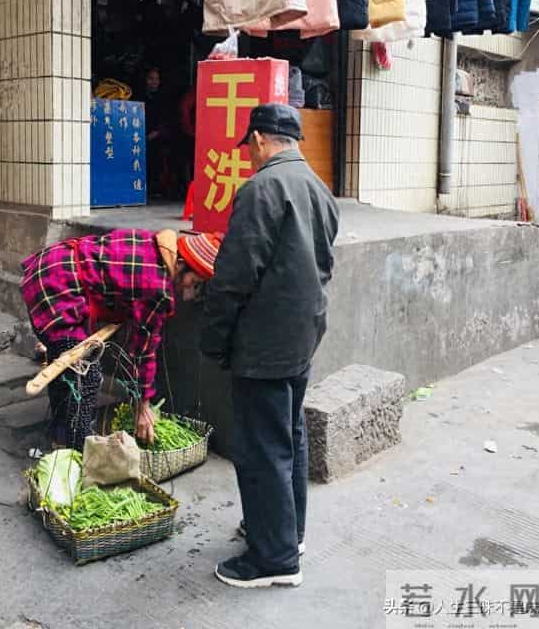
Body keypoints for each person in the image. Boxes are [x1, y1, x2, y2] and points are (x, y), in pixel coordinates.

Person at [200, 103, 339, 589]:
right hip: (302, 335)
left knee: (262, 448)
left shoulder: (262, 188)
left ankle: (274, 560)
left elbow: (235, 276)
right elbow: (323, 266)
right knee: (289, 435)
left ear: (259, 139)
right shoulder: (319, 188)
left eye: (250, 146)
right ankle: (288, 533)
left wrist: (214, 339)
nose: (250, 155)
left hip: (264, 342)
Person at [21, 229, 222, 451]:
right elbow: (143, 351)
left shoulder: (155, 244)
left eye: (196, 287)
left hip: (52, 265)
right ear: (182, 263)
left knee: (67, 370)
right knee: (85, 375)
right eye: (192, 282)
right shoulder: (157, 286)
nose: (188, 293)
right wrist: (142, 406)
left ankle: (61, 438)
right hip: (56, 286)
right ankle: (78, 453)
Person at [144, 66, 172, 198]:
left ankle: (156, 190)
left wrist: (158, 131)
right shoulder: (140, 96)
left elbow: (167, 118)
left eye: (156, 79)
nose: (154, 82)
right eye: (151, 79)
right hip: (141, 135)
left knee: (157, 164)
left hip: (159, 136)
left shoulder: (164, 98)